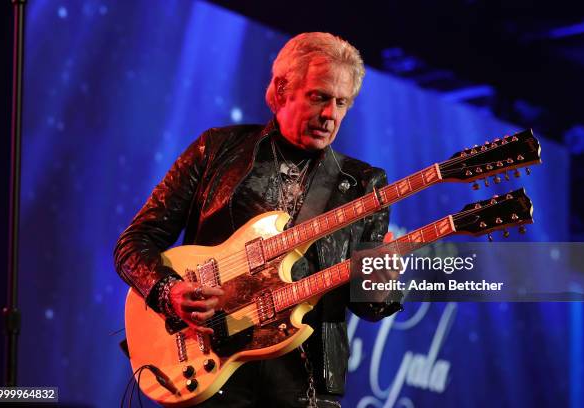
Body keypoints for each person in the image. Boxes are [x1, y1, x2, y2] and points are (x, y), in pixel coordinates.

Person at [114, 32, 402, 407]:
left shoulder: (364, 183)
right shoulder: (217, 149)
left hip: (306, 382)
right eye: (319, 97)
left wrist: (381, 281)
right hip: (211, 368)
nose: (330, 114)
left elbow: (370, 307)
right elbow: (134, 243)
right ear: (282, 90)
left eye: (342, 102)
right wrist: (170, 292)